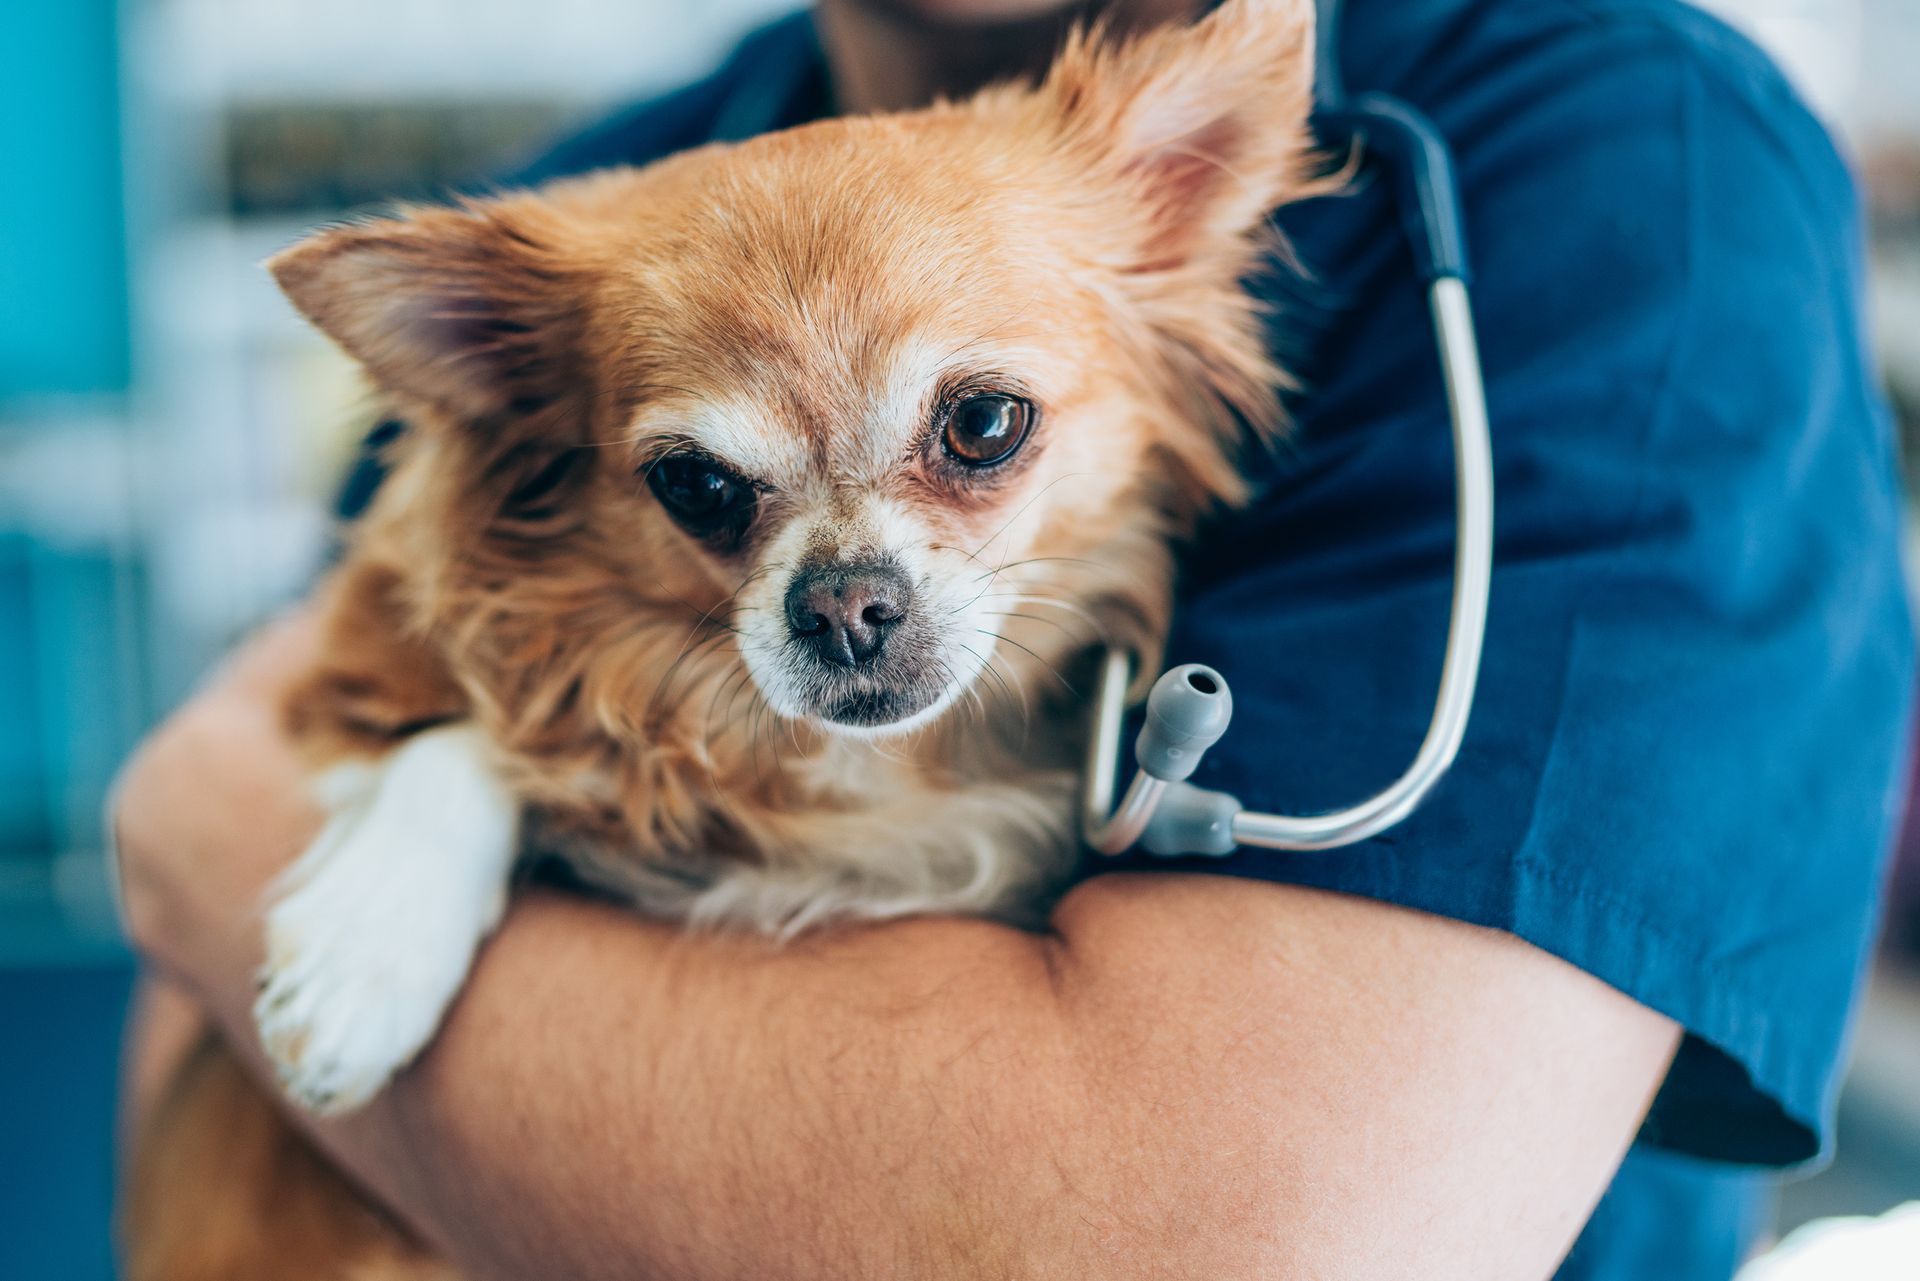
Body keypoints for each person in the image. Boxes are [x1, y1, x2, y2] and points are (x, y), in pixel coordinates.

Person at [113, 1, 1914, 1277]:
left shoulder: (1617, 165)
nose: (853, 588)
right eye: (711, 493)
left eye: (973, 432)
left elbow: (1238, 1252)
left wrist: (204, 835)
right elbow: (235, 1004)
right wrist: (376, 809)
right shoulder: (578, 217)